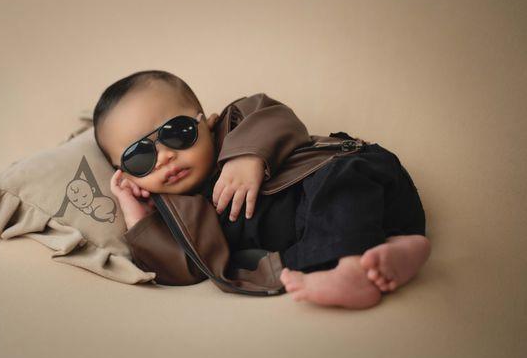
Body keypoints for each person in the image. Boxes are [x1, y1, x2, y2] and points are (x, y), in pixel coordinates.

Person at [94, 69, 431, 309]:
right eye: (139, 156)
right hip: (335, 229)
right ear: (125, 175)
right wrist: (136, 214)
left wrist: (247, 155)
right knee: (293, 259)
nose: (165, 155)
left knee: (334, 192)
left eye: (177, 132)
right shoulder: (178, 211)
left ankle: (351, 270)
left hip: (350, 174)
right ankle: (400, 245)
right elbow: (184, 269)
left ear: (207, 122)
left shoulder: (236, 122)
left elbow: (276, 116)